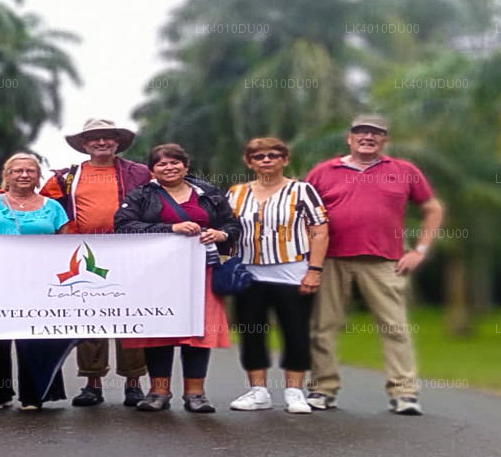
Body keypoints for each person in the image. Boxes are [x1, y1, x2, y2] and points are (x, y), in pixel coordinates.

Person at [0, 118, 152, 407]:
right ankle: (92, 383)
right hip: (84, 250)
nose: (101, 142)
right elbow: (36, 204)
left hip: (128, 250)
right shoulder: (66, 178)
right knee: (88, 319)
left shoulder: (139, 173)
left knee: (129, 318)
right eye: (94, 138)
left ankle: (133, 384)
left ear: (118, 142)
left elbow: (160, 198)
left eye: (107, 137)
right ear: (84, 144)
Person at [305, 114, 444, 415]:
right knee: (323, 327)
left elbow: (432, 209)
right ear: (349, 138)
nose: (368, 137)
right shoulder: (323, 171)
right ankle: (323, 389)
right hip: (330, 259)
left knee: (395, 327)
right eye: (361, 133)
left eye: (375, 133)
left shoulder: (404, 170)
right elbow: (302, 213)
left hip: (385, 261)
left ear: (385, 140)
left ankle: (404, 393)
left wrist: (420, 250)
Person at [114, 143, 239, 413]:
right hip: (155, 275)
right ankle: (159, 391)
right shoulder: (140, 195)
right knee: (160, 330)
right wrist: (170, 227)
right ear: (152, 170)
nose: (169, 167)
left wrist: (221, 235)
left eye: (175, 162)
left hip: (201, 273)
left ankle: (196, 394)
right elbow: (123, 225)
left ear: (186, 165)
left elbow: (232, 224)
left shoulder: (209, 193)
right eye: (162, 164)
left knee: (196, 331)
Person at [226, 137, 329, 414]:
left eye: (273, 155)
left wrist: (314, 271)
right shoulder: (235, 194)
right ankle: (258, 391)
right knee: (251, 332)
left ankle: (295, 392)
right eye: (259, 156)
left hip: (292, 272)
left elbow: (319, 231)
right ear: (249, 162)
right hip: (248, 274)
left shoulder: (302, 191)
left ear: (285, 159)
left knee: (295, 332)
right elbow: (226, 231)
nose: (266, 160)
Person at [0, 152, 73, 411]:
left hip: (41, 283)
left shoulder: (53, 207)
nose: (24, 175)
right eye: (17, 171)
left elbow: (67, 244)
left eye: (30, 171)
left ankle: (34, 395)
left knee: (37, 336)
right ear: (7, 176)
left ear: (38, 177)